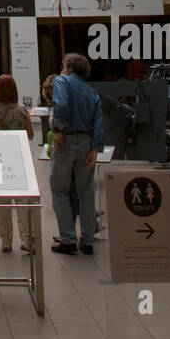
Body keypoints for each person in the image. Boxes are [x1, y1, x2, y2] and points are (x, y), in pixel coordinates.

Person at [49, 52, 103, 254]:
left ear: (69, 67)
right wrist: (96, 148)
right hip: (87, 142)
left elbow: (61, 105)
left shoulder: (62, 81)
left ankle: (68, 239)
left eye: (63, 64)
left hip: (67, 141)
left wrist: (59, 129)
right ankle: (88, 240)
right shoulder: (91, 91)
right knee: (86, 192)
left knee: (60, 190)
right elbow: (99, 121)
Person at [0, 75, 34, 252]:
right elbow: (30, 135)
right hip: (17, 157)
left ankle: (6, 240)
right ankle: (25, 238)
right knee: (22, 200)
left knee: (1, 201)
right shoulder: (22, 109)